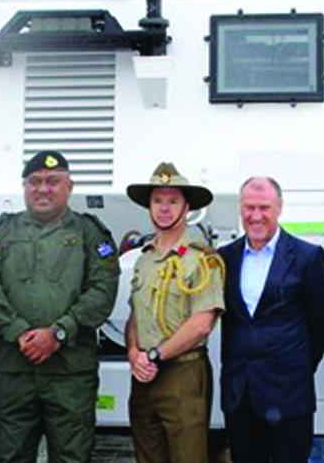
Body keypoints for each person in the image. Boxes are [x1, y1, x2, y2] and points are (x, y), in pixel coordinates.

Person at [0, 150, 120, 463]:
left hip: (71, 373)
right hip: (15, 369)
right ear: (24, 187)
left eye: (52, 181)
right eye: (34, 181)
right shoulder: (2, 232)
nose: (43, 189)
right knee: (10, 454)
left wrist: (59, 332)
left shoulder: (90, 233)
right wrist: (18, 331)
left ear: (69, 186)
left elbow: (103, 289)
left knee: (72, 456)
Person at [218, 176, 324, 462]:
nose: (256, 216)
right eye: (249, 207)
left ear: (279, 208)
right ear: (241, 209)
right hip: (240, 394)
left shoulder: (307, 257)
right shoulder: (224, 258)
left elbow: (322, 324)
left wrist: (295, 365)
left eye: (264, 208)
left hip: (289, 394)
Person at [124, 162, 225, 463]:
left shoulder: (202, 259)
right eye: (158, 200)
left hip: (183, 374)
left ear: (186, 208)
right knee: (147, 456)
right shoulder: (143, 259)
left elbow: (202, 323)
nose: (164, 208)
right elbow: (136, 316)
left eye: (172, 201)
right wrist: (133, 353)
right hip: (143, 375)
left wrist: (155, 355)